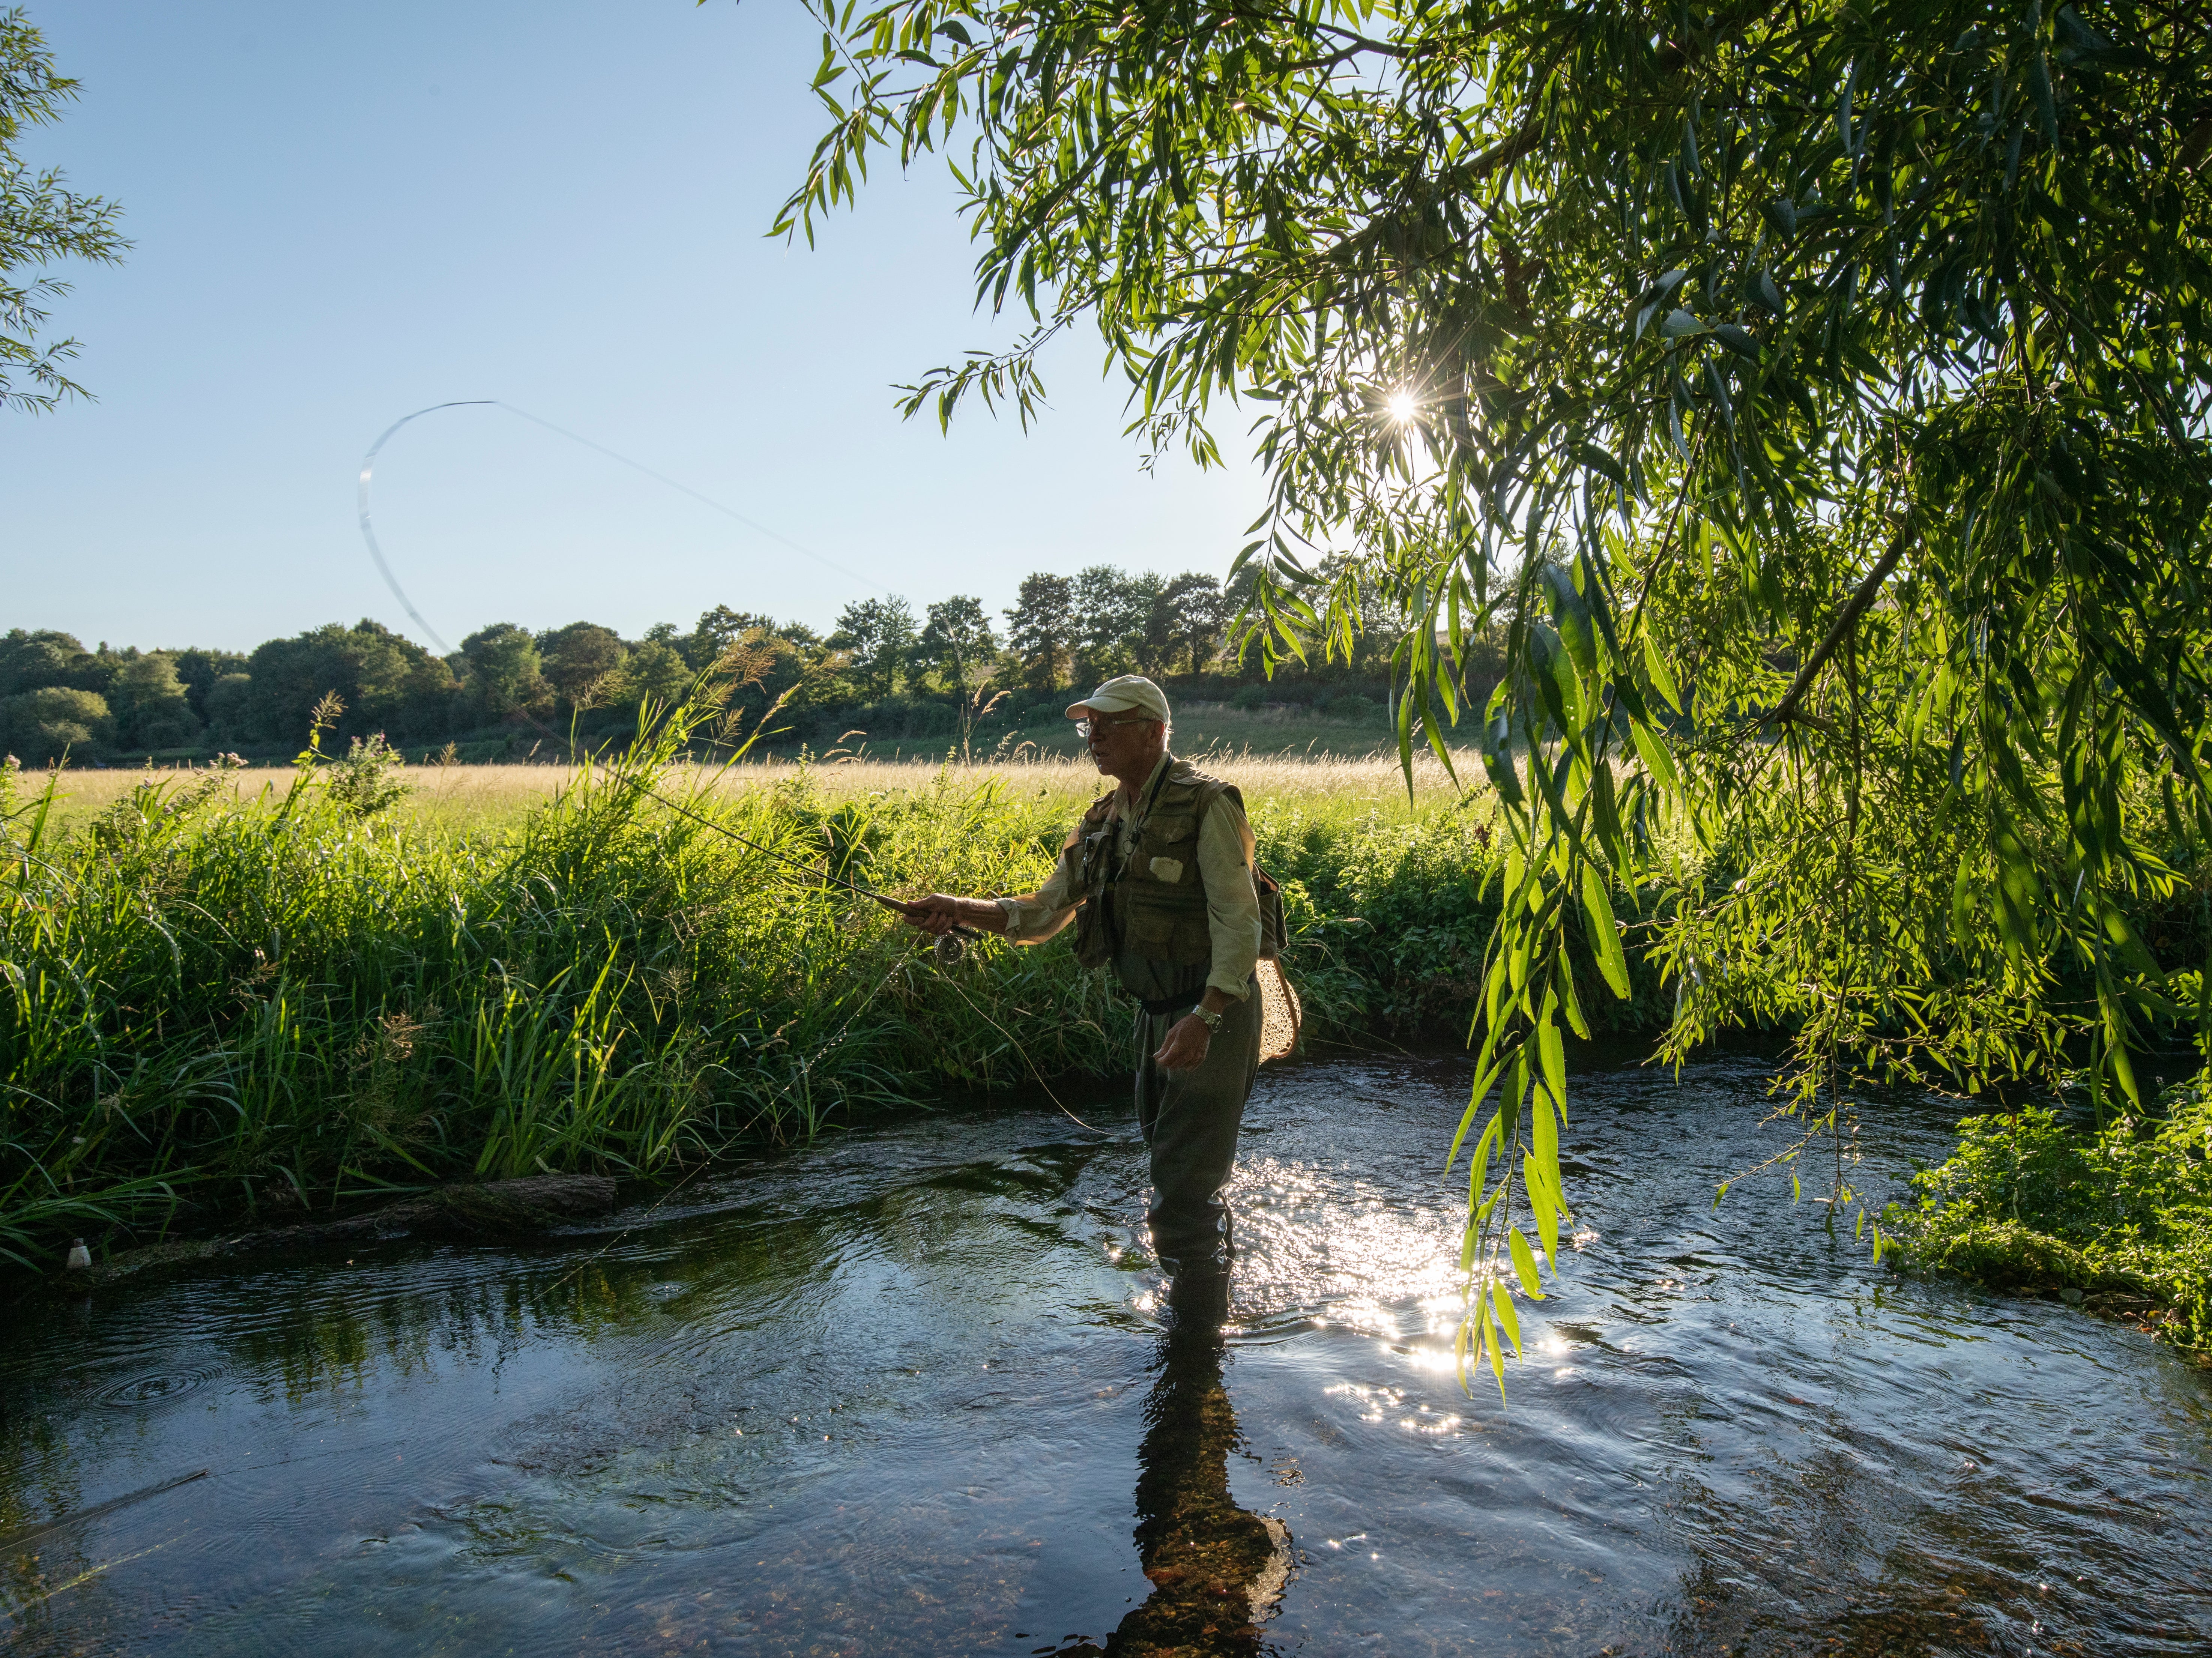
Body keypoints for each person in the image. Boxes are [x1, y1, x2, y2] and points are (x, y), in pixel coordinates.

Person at [903, 674, 1264, 1273]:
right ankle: (1202, 1307)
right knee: (1172, 1165)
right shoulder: (1103, 820)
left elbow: (1238, 921)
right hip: (1158, 1016)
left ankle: (1197, 1343)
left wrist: (1205, 1017)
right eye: (1087, 725)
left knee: (1180, 1195)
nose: (1093, 735)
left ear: (1154, 731)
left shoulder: (1209, 802)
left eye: (1109, 723)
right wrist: (958, 908)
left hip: (1212, 1013)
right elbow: (1045, 912)